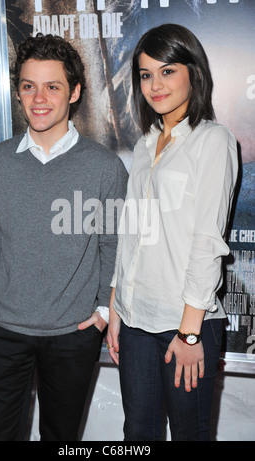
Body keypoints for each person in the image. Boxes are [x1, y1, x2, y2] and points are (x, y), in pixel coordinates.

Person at [0, 33, 128, 441]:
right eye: (28, 85)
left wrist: (103, 312)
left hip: (73, 333)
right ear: (18, 92)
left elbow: (114, 243)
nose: (39, 98)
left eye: (52, 86)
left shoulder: (105, 168)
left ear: (74, 92)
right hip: (1, 327)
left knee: (61, 437)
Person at [107, 24, 238, 441]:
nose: (155, 84)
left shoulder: (213, 140)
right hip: (134, 318)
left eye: (167, 71)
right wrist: (115, 307)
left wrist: (189, 331)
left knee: (189, 434)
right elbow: (132, 233)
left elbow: (207, 241)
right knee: (137, 435)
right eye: (146, 75)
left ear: (193, 73)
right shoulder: (145, 143)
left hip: (184, 321)